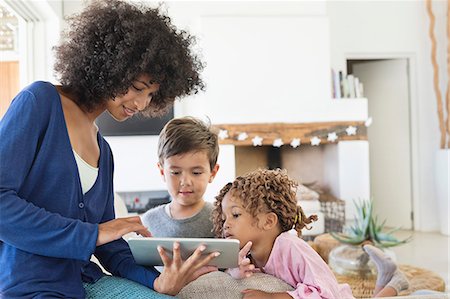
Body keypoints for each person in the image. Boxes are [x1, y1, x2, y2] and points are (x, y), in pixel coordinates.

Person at [0, 1, 219, 298]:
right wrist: (94, 233)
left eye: (151, 94)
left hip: (84, 281)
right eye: (137, 87)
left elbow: (111, 248)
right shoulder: (39, 102)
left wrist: (157, 282)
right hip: (29, 284)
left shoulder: (104, 151)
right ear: (109, 66)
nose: (142, 104)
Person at [211, 168, 411, 299]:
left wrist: (274, 297)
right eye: (224, 217)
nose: (226, 224)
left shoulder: (291, 247)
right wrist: (236, 272)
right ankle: (390, 278)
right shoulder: (244, 253)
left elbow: (326, 292)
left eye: (235, 214)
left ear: (268, 221)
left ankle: (394, 283)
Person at [141, 117, 220, 238]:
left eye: (196, 172)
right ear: (162, 172)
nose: (185, 182)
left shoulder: (222, 220)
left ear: (212, 173)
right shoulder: (148, 222)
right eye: (176, 172)